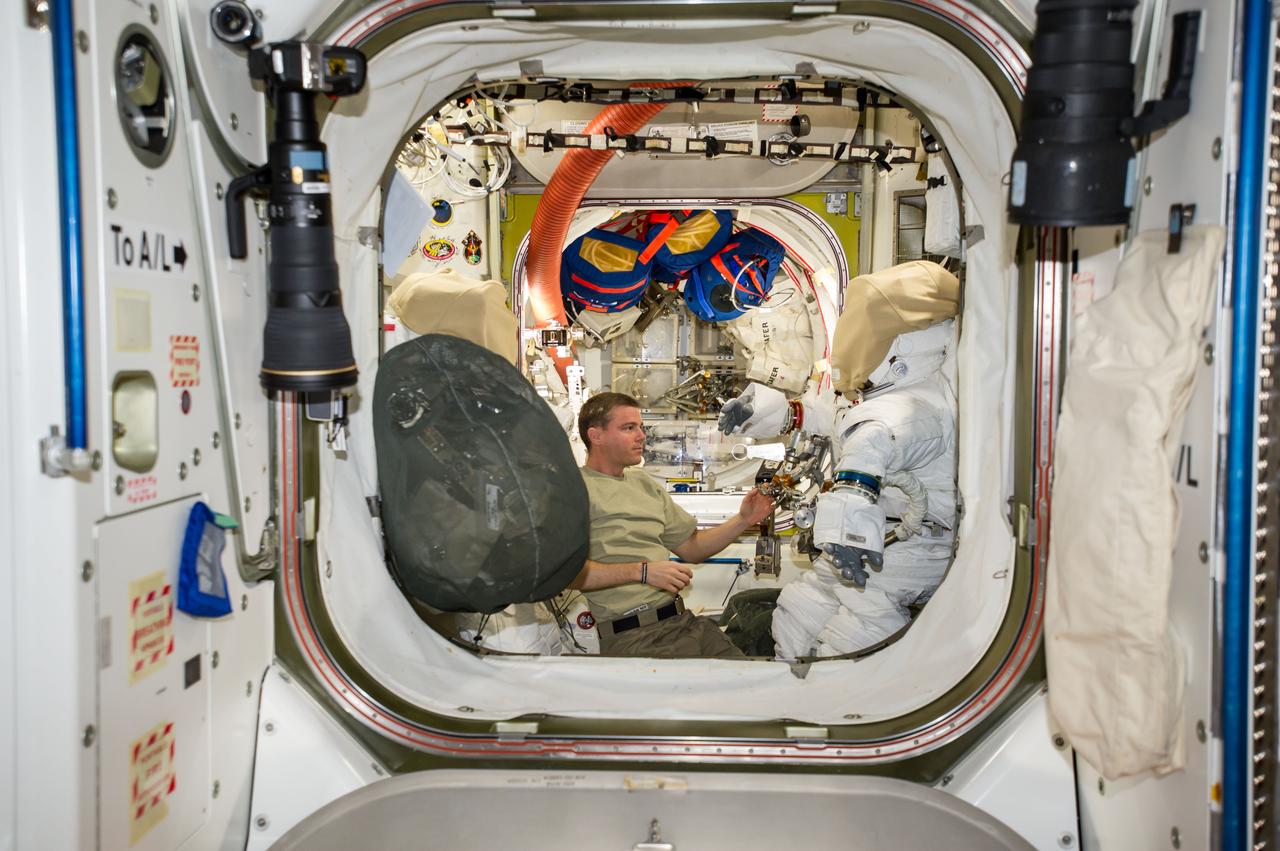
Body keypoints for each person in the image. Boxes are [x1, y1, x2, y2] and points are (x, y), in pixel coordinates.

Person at [719, 260, 960, 658]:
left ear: (906, 342)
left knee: (854, 634)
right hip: (884, 538)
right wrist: (774, 413)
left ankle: (845, 691)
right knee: (799, 609)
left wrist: (849, 532)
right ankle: (790, 680)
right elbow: (833, 419)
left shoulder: (915, 409)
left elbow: (871, 446)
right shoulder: (880, 398)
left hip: (916, 546)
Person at [570, 392, 775, 658]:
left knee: (752, 677)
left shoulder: (642, 483)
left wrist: (743, 519)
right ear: (596, 435)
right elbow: (567, 575)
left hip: (682, 622)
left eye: (640, 427)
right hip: (635, 636)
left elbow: (692, 548)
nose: (641, 436)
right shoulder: (575, 490)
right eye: (629, 428)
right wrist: (642, 572)